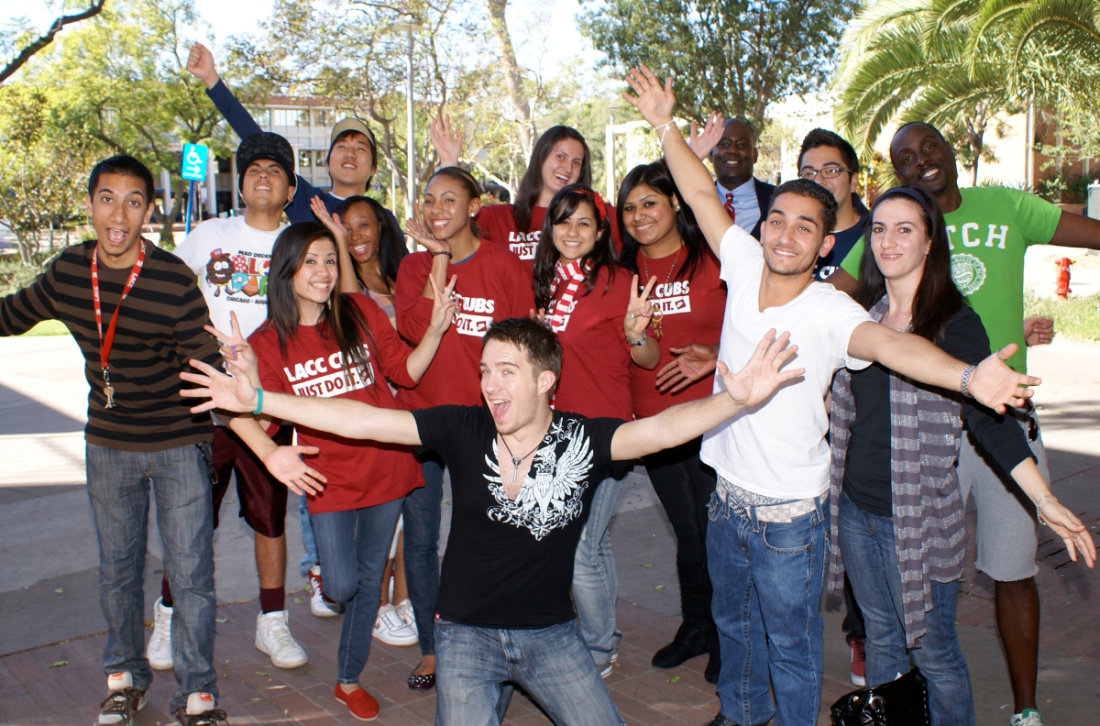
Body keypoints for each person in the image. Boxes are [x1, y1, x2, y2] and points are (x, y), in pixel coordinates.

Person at [621, 65, 1040, 726]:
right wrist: (663, 125)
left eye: (805, 227)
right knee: (734, 631)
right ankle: (741, 714)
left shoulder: (830, 310)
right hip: (726, 499)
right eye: (778, 220)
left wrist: (967, 377)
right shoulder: (742, 259)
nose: (785, 234)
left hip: (791, 518)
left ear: (823, 247)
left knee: (790, 649)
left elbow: (894, 346)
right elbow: (700, 193)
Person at [181, 315, 811, 726]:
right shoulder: (463, 428)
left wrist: (734, 399)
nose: (488, 383)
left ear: (545, 380)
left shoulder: (582, 440)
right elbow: (362, 419)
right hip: (465, 636)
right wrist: (258, 400)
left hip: (550, 636)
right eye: (484, 370)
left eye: (505, 371)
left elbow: (659, 430)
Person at [828, 121, 1100, 726]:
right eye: (879, 230)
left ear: (930, 242)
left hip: (920, 518)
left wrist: (1045, 498)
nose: (890, 241)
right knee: (881, 644)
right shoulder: (862, 318)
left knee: (936, 653)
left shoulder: (956, 322)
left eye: (906, 230)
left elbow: (993, 424)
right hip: (858, 513)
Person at [0, 156, 227, 726]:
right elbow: (12, 314)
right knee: (118, 569)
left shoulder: (174, 278)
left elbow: (206, 367)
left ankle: (198, 692)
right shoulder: (70, 270)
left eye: (132, 201)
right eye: (107, 199)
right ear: (91, 205)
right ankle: (124, 677)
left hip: (178, 443)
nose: (118, 214)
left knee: (192, 573)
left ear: (148, 211)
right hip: (109, 445)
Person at [203, 220, 456, 720]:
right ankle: (355, 631)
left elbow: (404, 373)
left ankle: (346, 679)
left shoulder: (358, 310)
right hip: (327, 479)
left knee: (366, 576)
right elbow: (264, 418)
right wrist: (249, 377)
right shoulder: (268, 342)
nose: (323, 271)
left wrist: (435, 329)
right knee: (341, 585)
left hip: (387, 467)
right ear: (287, 269)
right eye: (310, 261)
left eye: (329, 260)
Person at [169, 131, 309, 671]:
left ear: (290, 186)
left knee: (269, 516)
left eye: (275, 170)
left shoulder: (297, 243)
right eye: (253, 169)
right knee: (192, 518)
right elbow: (168, 292)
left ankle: (272, 621)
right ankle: (168, 613)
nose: (263, 176)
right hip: (203, 400)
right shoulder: (209, 234)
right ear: (240, 182)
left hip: (268, 404)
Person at [394, 166, 535, 689]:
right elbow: (412, 329)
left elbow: (524, 342)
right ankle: (433, 646)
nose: (435, 210)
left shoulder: (502, 263)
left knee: (495, 533)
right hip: (426, 422)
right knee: (423, 537)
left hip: (486, 423)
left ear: (475, 206)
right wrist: (438, 259)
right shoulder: (414, 266)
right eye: (429, 199)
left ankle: (503, 641)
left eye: (449, 200)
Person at [530, 183, 654, 675]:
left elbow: (649, 357)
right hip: (551, 432)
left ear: (601, 231)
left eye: (584, 222)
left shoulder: (621, 281)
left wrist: (635, 333)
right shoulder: (544, 281)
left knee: (584, 545)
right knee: (579, 542)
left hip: (604, 432)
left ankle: (600, 649)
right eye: (564, 222)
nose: (573, 231)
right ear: (551, 229)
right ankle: (586, 631)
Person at [616, 161, 726, 682]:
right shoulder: (621, 272)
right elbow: (637, 352)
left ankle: (729, 631)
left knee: (714, 529)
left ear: (676, 203)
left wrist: (717, 351)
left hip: (714, 418)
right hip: (654, 422)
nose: (639, 216)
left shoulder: (713, 257)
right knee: (686, 530)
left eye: (650, 203)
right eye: (630, 207)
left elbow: (760, 324)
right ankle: (696, 626)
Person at [311, 194, 418, 644]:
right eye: (345, 228)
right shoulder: (345, 289)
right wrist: (333, 238)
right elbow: (352, 296)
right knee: (376, 520)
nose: (356, 235)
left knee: (404, 518)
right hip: (369, 412)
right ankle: (373, 603)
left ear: (382, 227)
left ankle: (401, 597)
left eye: (363, 225)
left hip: (409, 407)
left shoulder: (403, 275)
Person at [185, 42, 398, 226]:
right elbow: (257, 140)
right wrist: (211, 78)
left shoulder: (384, 219)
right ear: (327, 163)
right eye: (341, 147)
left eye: (360, 148)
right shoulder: (308, 201)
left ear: (373, 168)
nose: (350, 154)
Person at [431, 116, 619, 269]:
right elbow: (448, 228)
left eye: (576, 163)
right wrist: (449, 162)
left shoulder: (599, 215)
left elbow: (642, 222)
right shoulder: (499, 218)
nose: (568, 168)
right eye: (560, 157)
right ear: (541, 158)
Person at [687, 114, 776, 240]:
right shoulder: (692, 202)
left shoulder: (777, 199)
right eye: (724, 143)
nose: (732, 150)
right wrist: (689, 157)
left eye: (742, 144)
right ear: (711, 154)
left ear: (754, 155)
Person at [797, 128, 869, 282]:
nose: (818, 181)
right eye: (809, 173)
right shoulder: (790, 238)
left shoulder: (874, 238)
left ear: (853, 181)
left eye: (830, 170)